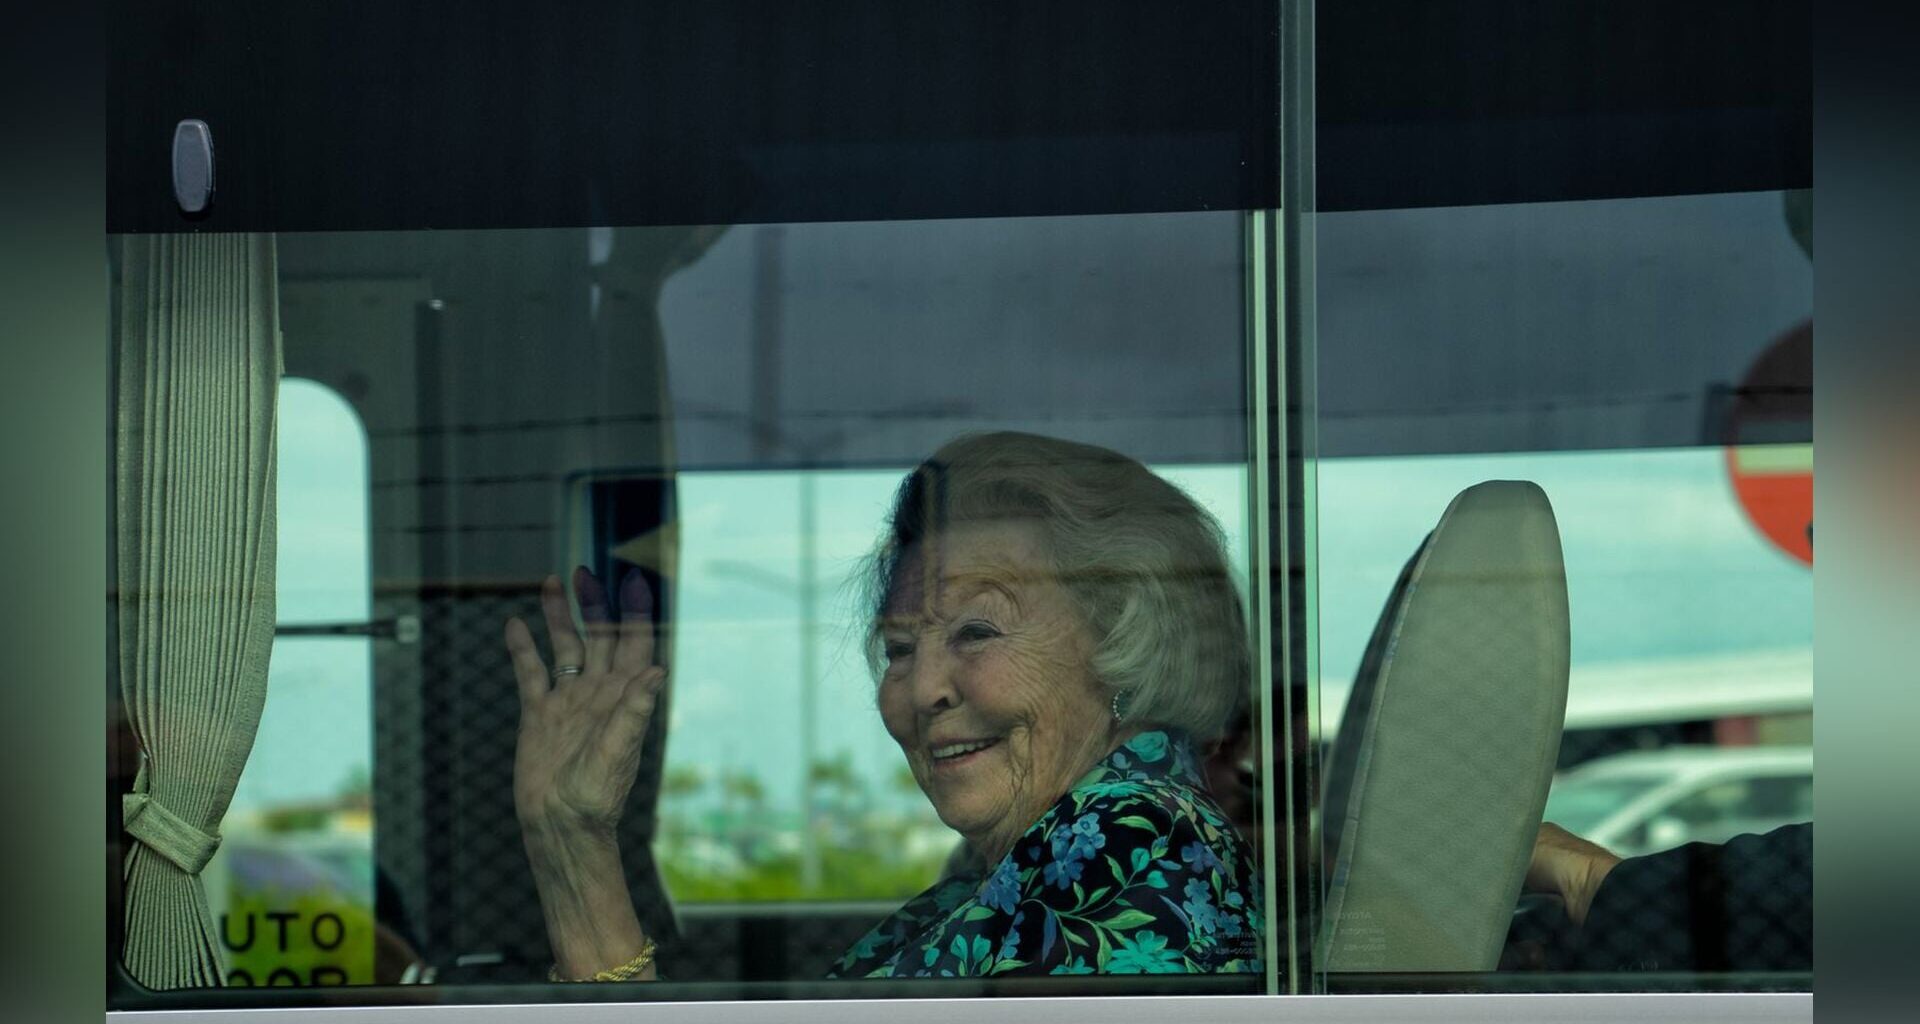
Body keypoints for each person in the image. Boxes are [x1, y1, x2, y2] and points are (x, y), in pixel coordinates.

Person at [503, 432, 1265, 980]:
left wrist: (578, 854)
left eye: (976, 631)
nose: (922, 691)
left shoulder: (1132, 837)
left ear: (1122, 644)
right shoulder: (1015, 868)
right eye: (900, 649)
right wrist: (572, 839)